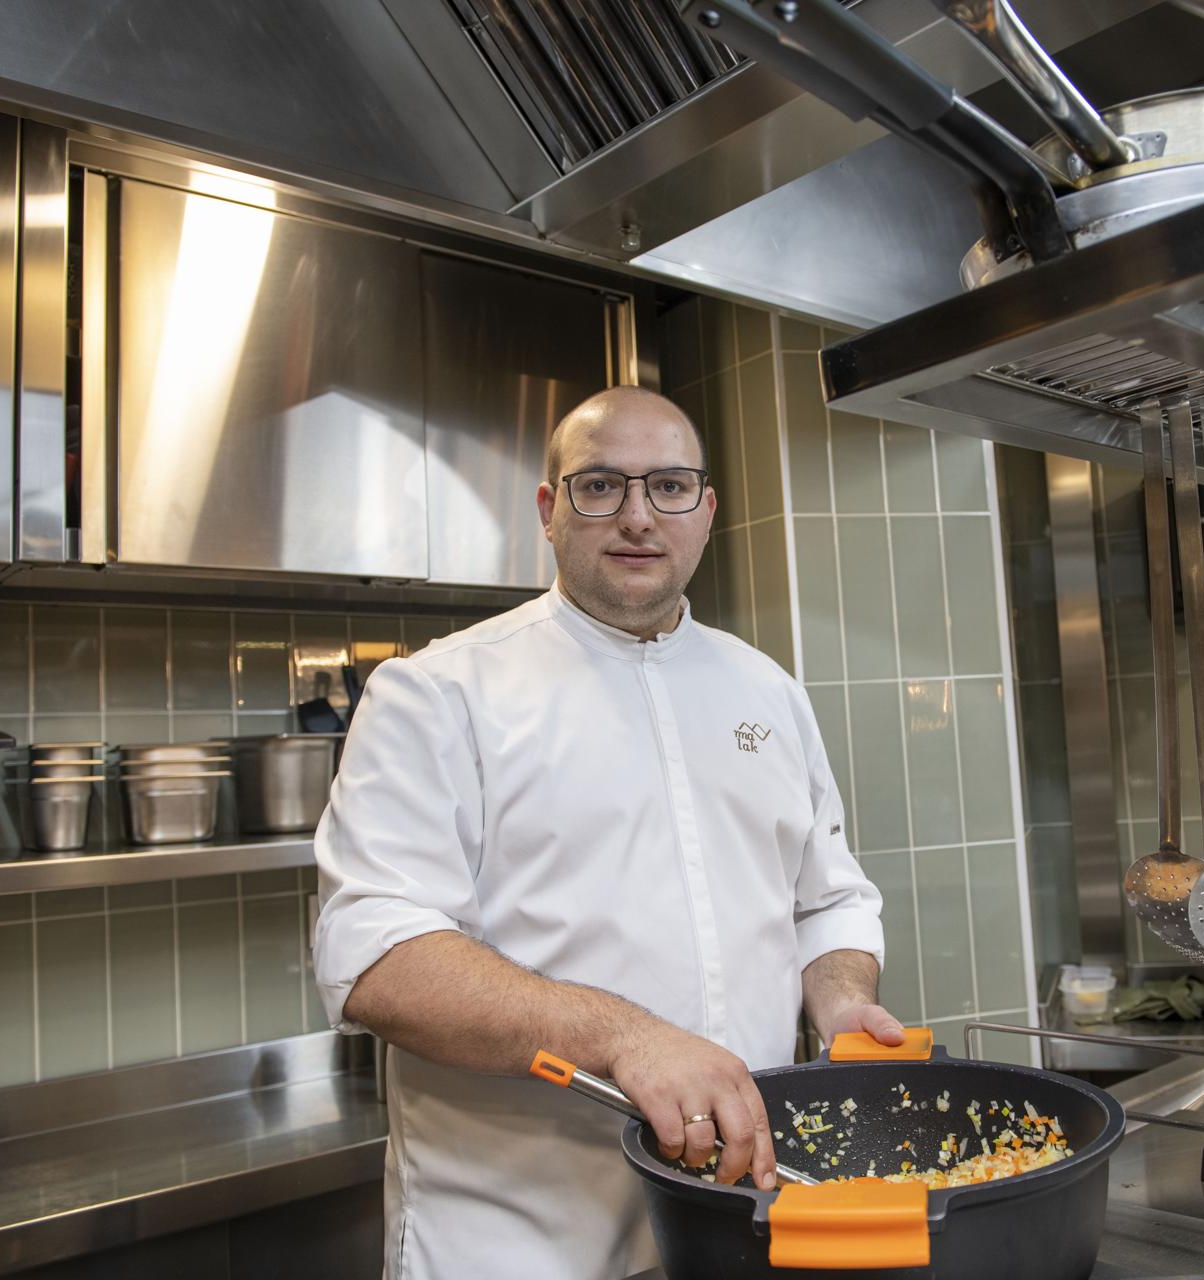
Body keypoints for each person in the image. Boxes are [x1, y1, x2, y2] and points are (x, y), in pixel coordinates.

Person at [312, 385, 903, 1279]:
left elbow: (826, 900)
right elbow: (378, 960)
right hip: (521, 1237)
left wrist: (843, 999)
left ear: (706, 511)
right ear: (550, 512)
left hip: (744, 1216)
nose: (636, 517)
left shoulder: (766, 692)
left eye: (668, 487)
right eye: (599, 487)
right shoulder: (438, 694)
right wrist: (628, 1037)